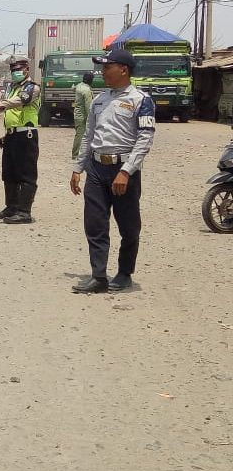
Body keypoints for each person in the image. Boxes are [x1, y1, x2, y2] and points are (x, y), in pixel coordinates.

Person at [70, 49, 155, 293]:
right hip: (97, 169)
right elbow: (88, 136)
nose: (103, 72)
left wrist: (126, 171)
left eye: (108, 67)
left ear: (124, 70)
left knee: (128, 226)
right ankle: (98, 276)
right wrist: (78, 168)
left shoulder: (141, 100)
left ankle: (125, 273)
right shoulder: (99, 100)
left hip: (123, 170)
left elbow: (145, 139)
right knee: (95, 224)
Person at [0, 58, 42, 224]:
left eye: (18, 70)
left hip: (26, 135)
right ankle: (11, 207)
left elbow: (21, 101)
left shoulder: (32, 87)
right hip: (12, 135)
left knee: (26, 174)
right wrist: (6, 137)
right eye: (13, 70)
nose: (15, 73)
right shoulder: (13, 87)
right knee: (9, 173)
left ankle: (24, 212)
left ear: (27, 70)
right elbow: (12, 115)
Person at [73, 70, 95, 159]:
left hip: (77, 115)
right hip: (83, 117)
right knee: (81, 136)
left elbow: (73, 88)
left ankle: (76, 154)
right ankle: (76, 154)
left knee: (79, 135)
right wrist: (90, 119)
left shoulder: (79, 86)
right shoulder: (86, 90)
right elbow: (88, 106)